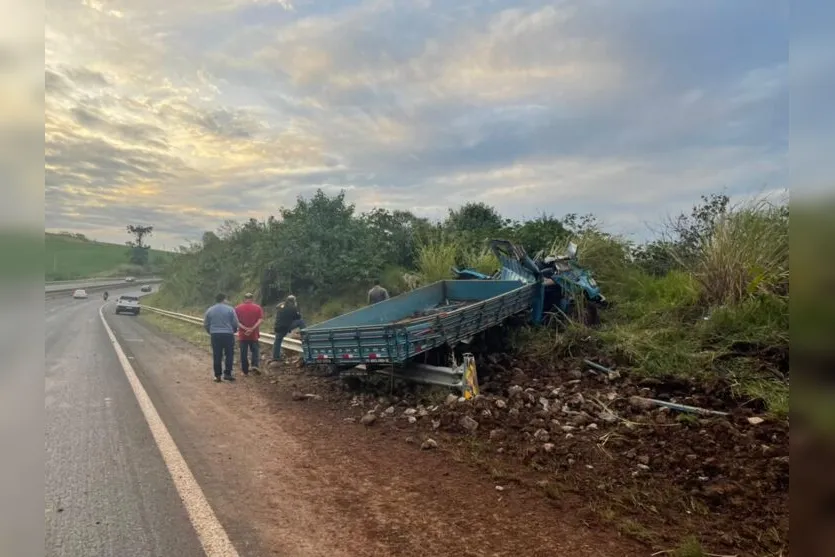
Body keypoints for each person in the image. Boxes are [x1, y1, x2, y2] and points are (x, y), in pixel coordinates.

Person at [203, 293, 240, 382]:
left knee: (217, 355)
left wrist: (210, 331)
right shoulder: (230, 309)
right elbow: (235, 323)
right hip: (228, 334)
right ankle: (227, 373)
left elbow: (206, 323)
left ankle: (217, 375)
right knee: (229, 354)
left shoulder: (210, 310)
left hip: (215, 334)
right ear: (224, 299)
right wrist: (233, 330)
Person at [234, 292, 264, 376]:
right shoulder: (258, 308)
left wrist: (245, 328)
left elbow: (236, 321)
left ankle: (245, 371)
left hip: (243, 335)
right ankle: (255, 366)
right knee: (255, 351)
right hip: (254, 334)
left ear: (244, 299)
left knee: (243, 353)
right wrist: (252, 329)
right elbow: (260, 320)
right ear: (252, 299)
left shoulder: (237, 308)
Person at [271, 295, 305, 362]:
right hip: (286, 327)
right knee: (301, 322)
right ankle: (304, 335)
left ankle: (276, 357)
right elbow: (297, 317)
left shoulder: (281, 306)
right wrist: (297, 312)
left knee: (277, 341)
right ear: (293, 301)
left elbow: (277, 306)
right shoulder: (292, 308)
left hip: (278, 327)